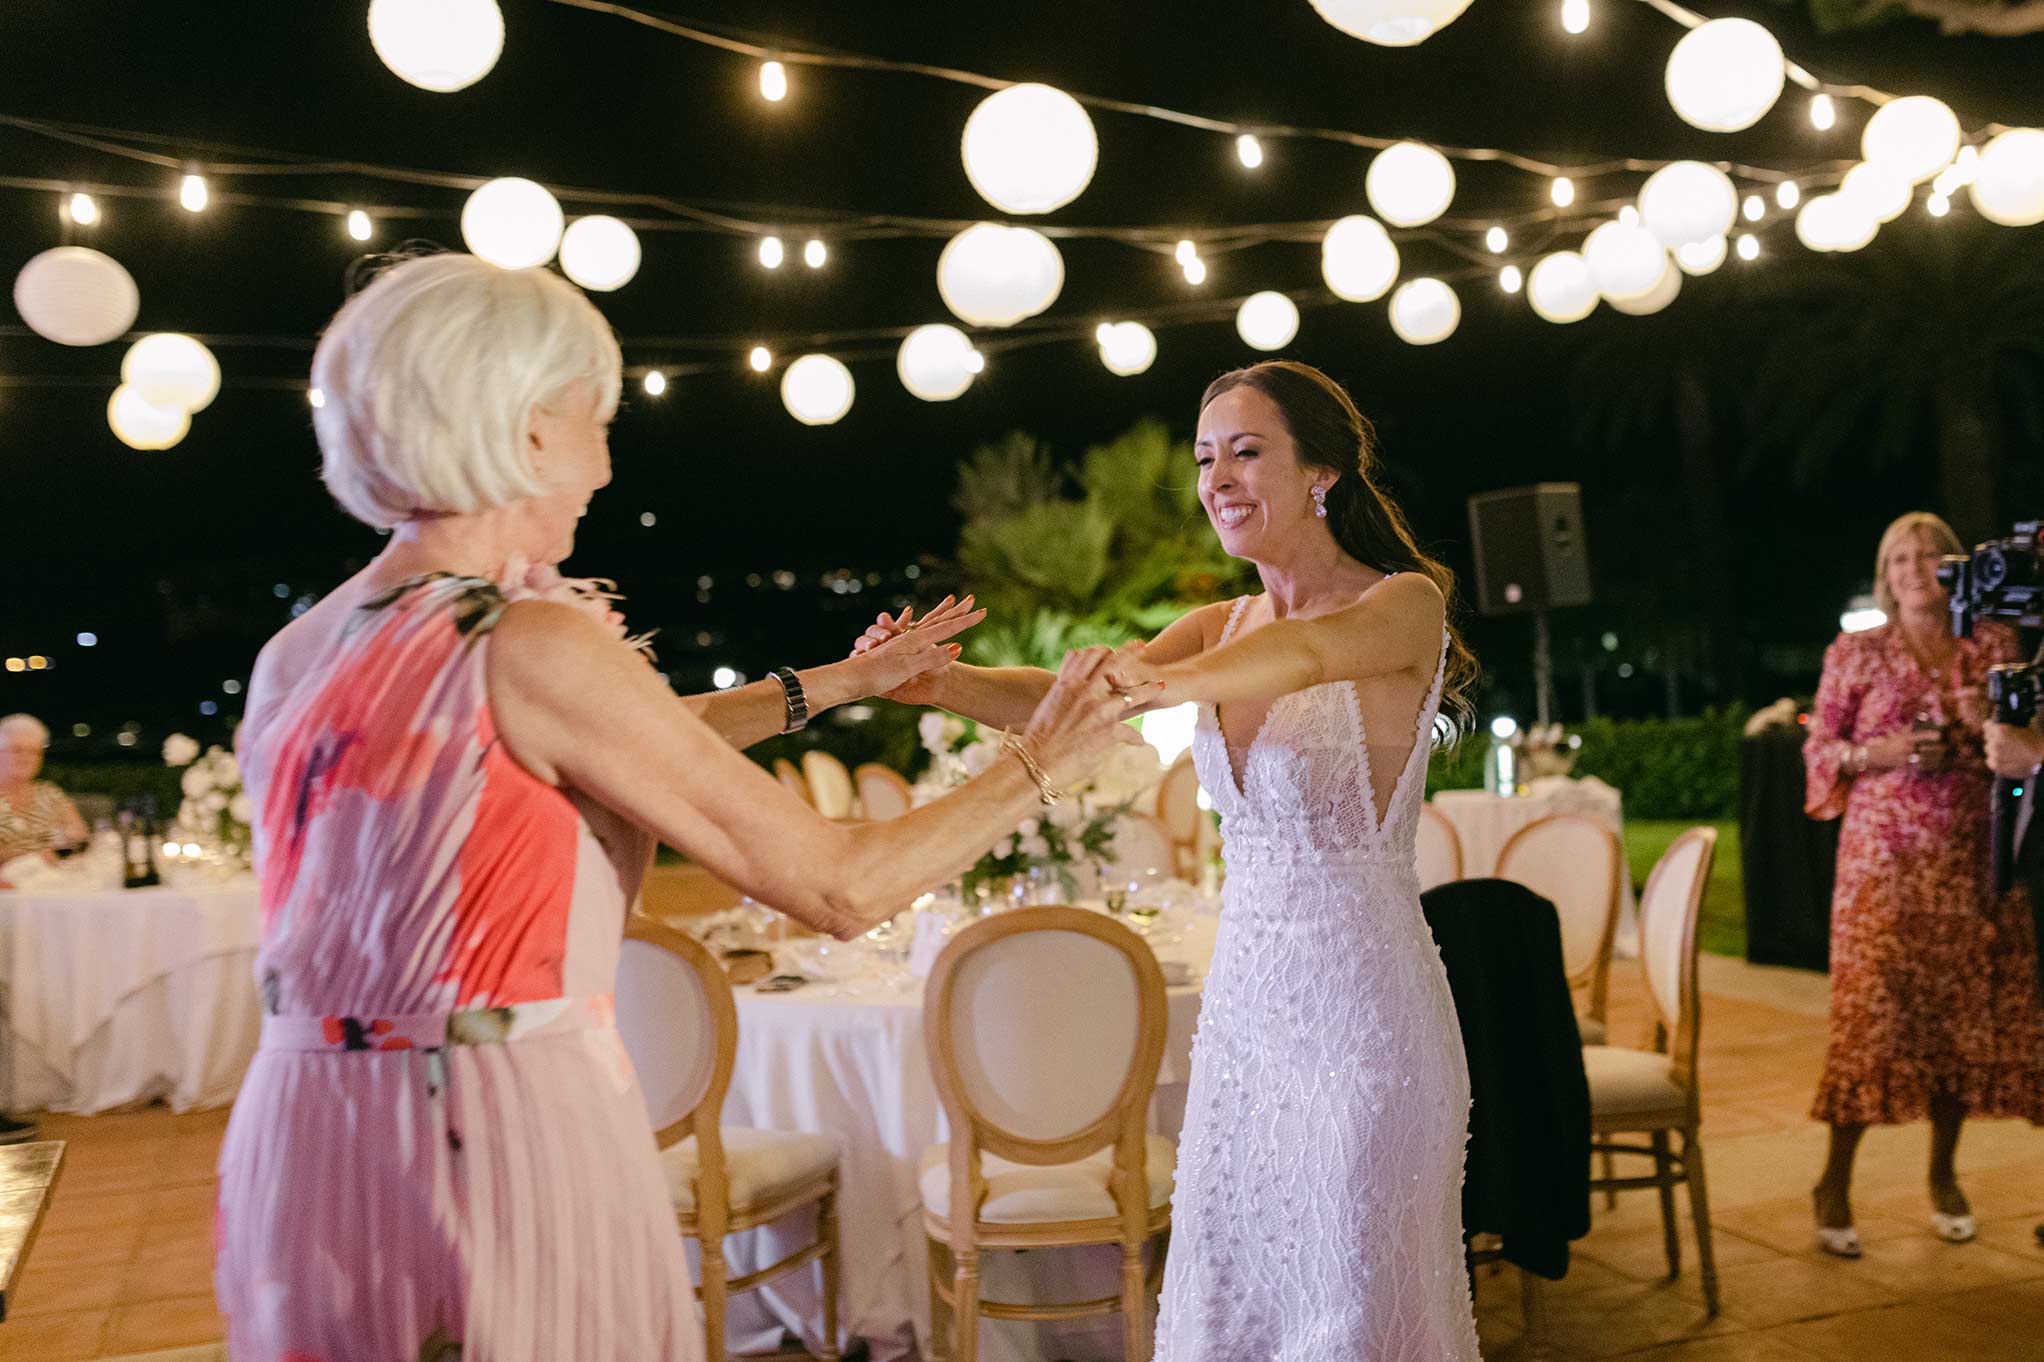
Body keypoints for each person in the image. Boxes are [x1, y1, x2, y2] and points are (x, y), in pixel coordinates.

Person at [214, 251, 1133, 1362]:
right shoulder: (527, 640)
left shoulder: (299, 650)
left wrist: (837, 685)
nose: (601, 461)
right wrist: (1041, 759)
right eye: (592, 416)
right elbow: (841, 887)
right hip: (491, 1123)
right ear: (526, 428)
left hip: (311, 1130)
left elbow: (568, 760)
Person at [856, 360, 1482, 1360]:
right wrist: (937, 684)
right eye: (1204, 458)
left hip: (1364, 1020)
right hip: (1245, 1019)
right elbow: (1068, 693)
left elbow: (1308, 659)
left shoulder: (1401, 604)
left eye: (1245, 451)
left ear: (1321, 470)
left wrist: (1147, 682)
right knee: (1241, 1280)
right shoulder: (1220, 625)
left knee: (1354, 1289)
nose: (1217, 478)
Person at [1802, 511, 2044, 1259]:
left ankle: (1943, 1175)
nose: (1915, 566)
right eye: (1900, 555)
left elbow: (2023, 737)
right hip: (1884, 866)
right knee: (1875, 1019)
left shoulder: (1995, 645)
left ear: (1955, 568)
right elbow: (1821, 748)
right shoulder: (1857, 648)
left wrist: (1980, 721)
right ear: (1886, 571)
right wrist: (1885, 752)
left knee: (1957, 1019)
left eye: (1930, 554)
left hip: (1973, 859)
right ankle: (1833, 1182)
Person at [0, 713, 88, 871]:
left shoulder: (49, 793)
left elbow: (79, 835)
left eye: (34, 752)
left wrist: (67, 839)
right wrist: (33, 857)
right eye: (17, 750)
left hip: (52, 882)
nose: (26, 758)